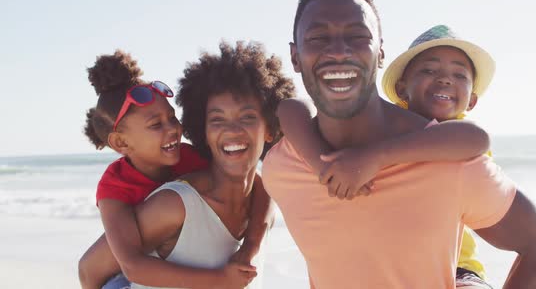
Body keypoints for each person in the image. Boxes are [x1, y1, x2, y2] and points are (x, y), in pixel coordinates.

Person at [262, 0, 536, 289]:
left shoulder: (450, 163)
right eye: (318, 38)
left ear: (380, 53)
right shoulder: (282, 168)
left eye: (357, 36)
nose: (338, 51)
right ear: (295, 57)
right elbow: (288, 112)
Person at [277, 24, 496, 288]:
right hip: (389, 263)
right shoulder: (384, 125)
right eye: (428, 70)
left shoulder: (458, 137)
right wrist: (321, 165)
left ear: (471, 101)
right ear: (402, 88)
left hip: (458, 268)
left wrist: (376, 157)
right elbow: (290, 109)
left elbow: (478, 137)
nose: (445, 79)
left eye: (459, 75)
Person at [77, 49, 274, 288]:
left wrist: (251, 245)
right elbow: (125, 266)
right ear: (122, 143)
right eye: (156, 125)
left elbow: (257, 182)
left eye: (172, 118)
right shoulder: (115, 186)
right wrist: (221, 280)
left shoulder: (188, 157)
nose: (172, 129)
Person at [127, 40, 295, 288]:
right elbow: (93, 269)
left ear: (270, 128)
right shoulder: (174, 205)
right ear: (203, 131)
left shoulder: (261, 201)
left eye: (247, 117)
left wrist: (251, 246)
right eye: (217, 120)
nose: (232, 131)